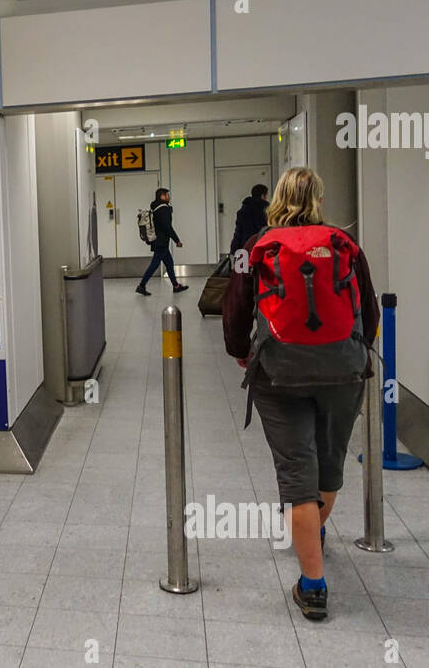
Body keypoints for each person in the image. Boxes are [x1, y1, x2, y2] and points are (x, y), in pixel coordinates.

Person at [221, 167, 378, 621]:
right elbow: (367, 311)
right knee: (329, 468)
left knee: (296, 475)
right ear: (317, 198)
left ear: (278, 199)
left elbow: (235, 306)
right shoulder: (344, 244)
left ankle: (313, 585)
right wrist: (350, 353)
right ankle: (314, 529)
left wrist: (239, 352)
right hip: (343, 374)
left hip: (280, 372)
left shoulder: (254, 246)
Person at [136, 187, 189, 295]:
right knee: (154, 265)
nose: (168, 197)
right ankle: (141, 286)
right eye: (167, 195)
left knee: (169, 263)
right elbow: (167, 227)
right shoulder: (163, 209)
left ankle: (176, 286)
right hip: (161, 242)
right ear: (162, 196)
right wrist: (177, 240)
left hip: (159, 241)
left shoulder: (156, 208)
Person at [229, 183, 269, 256]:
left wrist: (233, 250)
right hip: (261, 246)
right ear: (263, 196)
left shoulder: (243, 210)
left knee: (243, 267)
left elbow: (238, 232)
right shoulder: (266, 210)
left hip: (244, 246)